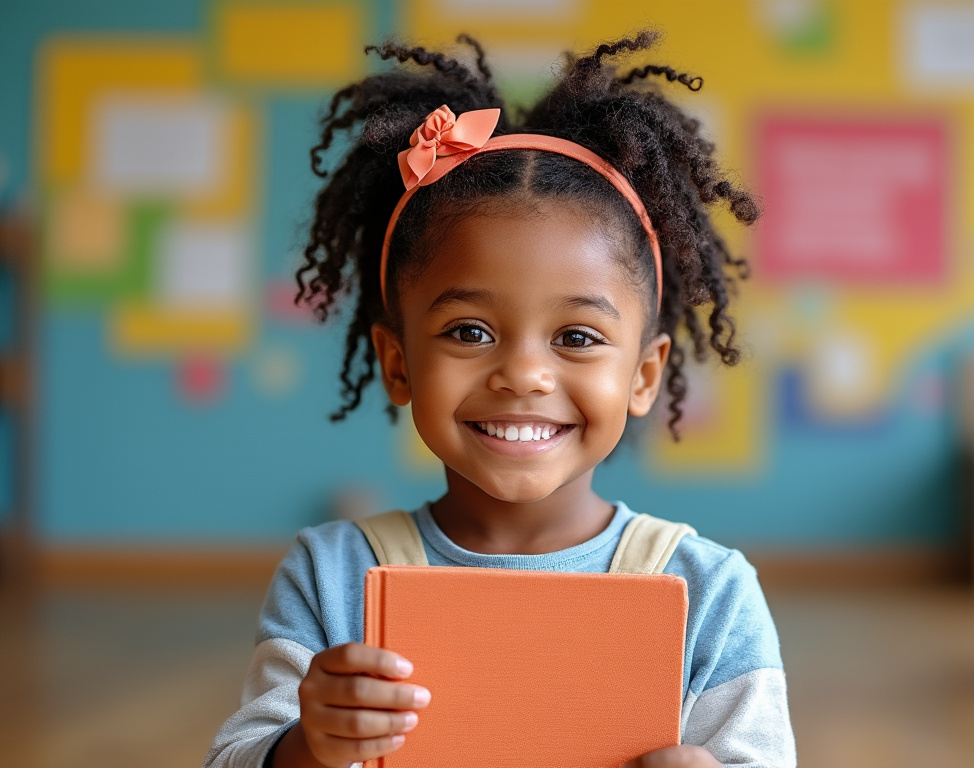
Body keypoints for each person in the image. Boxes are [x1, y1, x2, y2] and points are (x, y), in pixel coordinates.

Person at [204, 30, 796, 768]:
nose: (524, 374)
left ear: (644, 376)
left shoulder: (708, 594)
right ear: (398, 363)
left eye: (577, 337)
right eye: (470, 330)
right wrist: (304, 747)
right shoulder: (332, 575)